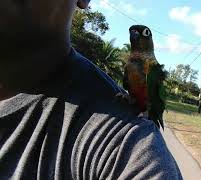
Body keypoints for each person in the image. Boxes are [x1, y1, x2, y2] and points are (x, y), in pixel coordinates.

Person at [0, 0, 182, 179]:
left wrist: (149, 113)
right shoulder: (130, 65)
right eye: (132, 32)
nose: (135, 35)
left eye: (143, 33)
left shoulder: (129, 144)